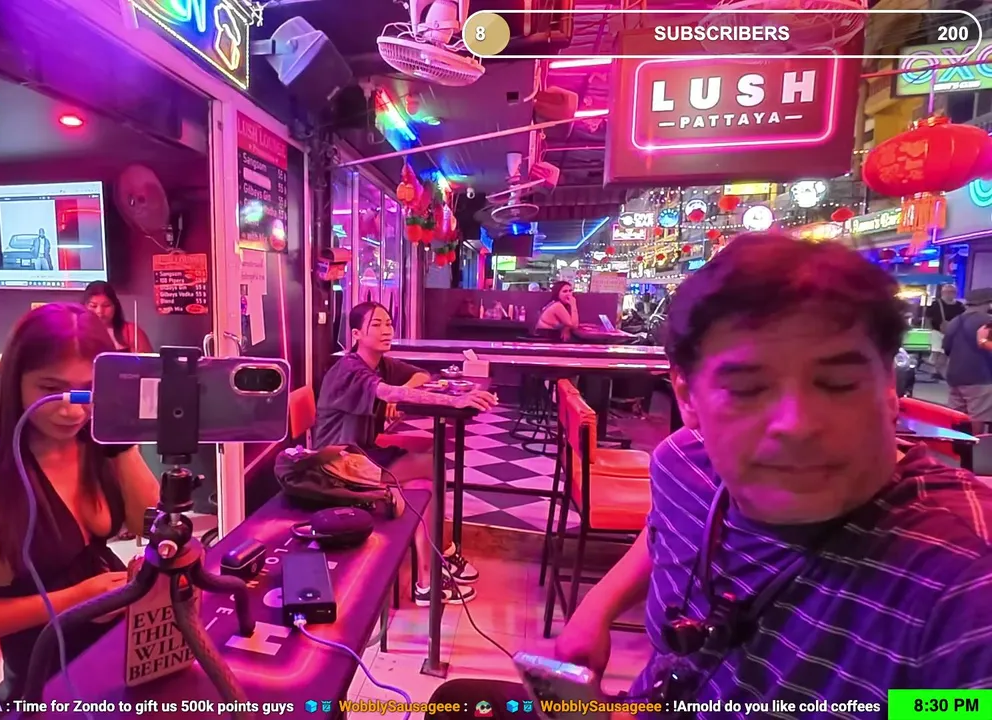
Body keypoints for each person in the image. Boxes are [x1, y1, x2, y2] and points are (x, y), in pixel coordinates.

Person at [425, 232, 992, 718]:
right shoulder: (685, 466)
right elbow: (663, 531)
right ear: (687, 396)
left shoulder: (961, 583)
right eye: (747, 389)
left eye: (838, 384)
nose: (797, 425)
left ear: (888, 386)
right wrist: (597, 607)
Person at [0, 303, 160, 708]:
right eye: (50, 389)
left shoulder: (92, 446)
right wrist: (71, 601)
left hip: (119, 663)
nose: (71, 409)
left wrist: (120, 436)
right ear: (15, 380)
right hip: (43, 692)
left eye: (89, 390)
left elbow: (150, 524)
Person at [317, 301, 497, 604]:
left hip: (364, 455)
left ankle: (431, 571)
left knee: (427, 478)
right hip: (338, 464)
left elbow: (421, 374)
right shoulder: (349, 369)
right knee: (430, 465)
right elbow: (387, 391)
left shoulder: (381, 364)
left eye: (388, 323)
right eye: (376, 325)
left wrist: (399, 390)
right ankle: (438, 562)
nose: (386, 330)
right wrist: (452, 401)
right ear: (356, 334)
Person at [943, 287, 992, 432]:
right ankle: (975, 445)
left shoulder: (954, 321)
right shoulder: (987, 322)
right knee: (977, 416)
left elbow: (946, 348)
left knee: (958, 417)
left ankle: (957, 444)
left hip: (955, 376)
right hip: (979, 376)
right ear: (987, 303)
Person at [82, 280, 153, 353]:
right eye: (93, 306)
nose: (99, 311)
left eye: (106, 305)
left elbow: (148, 359)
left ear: (115, 306)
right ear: (84, 306)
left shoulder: (131, 332)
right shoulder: (79, 332)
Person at [927, 284, 964, 379]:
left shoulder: (960, 306)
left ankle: (939, 371)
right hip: (937, 332)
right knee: (937, 351)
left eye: (952, 292)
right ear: (942, 293)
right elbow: (928, 317)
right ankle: (937, 371)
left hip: (953, 333)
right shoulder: (935, 304)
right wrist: (930, 329)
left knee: (945, 353)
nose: (950, 294)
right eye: (947, 292)